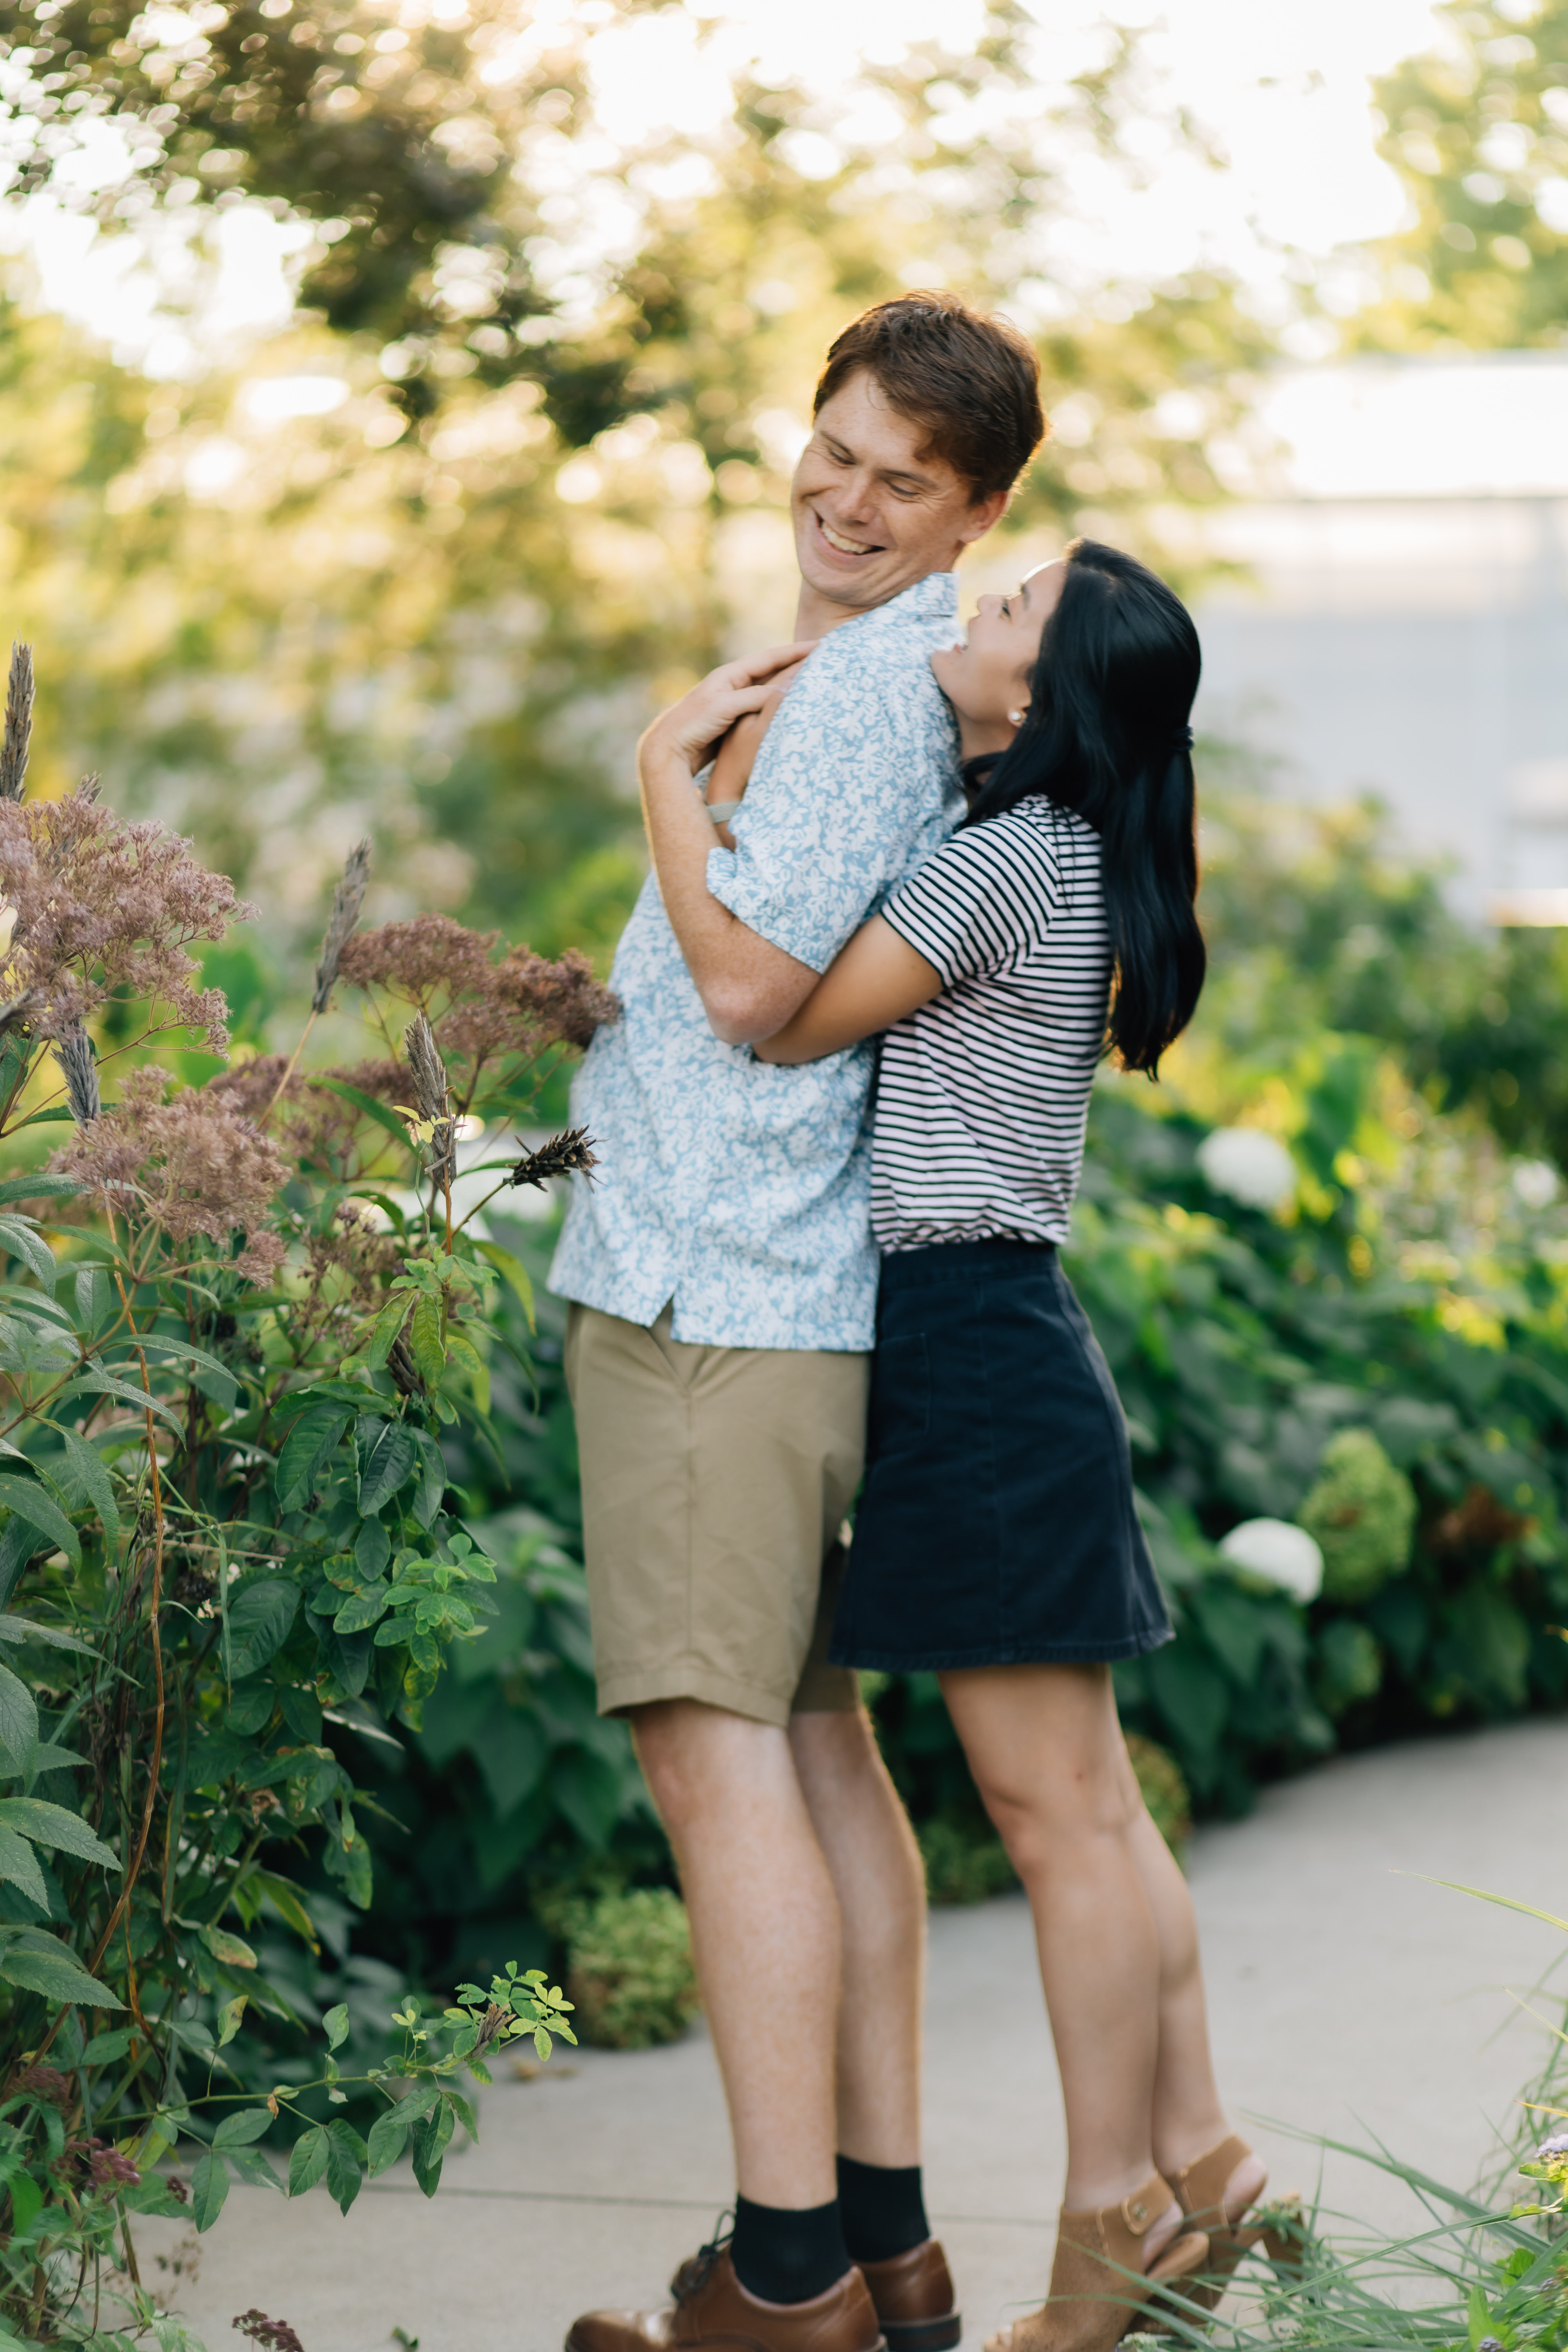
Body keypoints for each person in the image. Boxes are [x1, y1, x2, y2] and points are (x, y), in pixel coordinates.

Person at [552, 292, 1045, 2352]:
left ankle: (782, 2281)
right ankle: (889, 2248)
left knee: (715, 1752)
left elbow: (751, 1004)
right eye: (834, 448)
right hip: (792, 1295)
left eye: (900, 479)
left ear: (974, 514)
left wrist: (665, 761)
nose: (847, 497)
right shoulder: (888, 690)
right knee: (825, 1756)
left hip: (711, 1300)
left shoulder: (851, 702)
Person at [744, 538, 1296, 2351]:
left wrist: (682, 791)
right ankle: (1197, 2156)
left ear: (1037, 702)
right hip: (1007, 1340)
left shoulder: (1000, 865)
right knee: (1097, 1809)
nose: (963, 617)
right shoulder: (1064, 855)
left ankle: (1106, 2229)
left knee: (1053, 1825)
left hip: (971, 1353)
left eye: (1000, 618)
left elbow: (785, 1018)